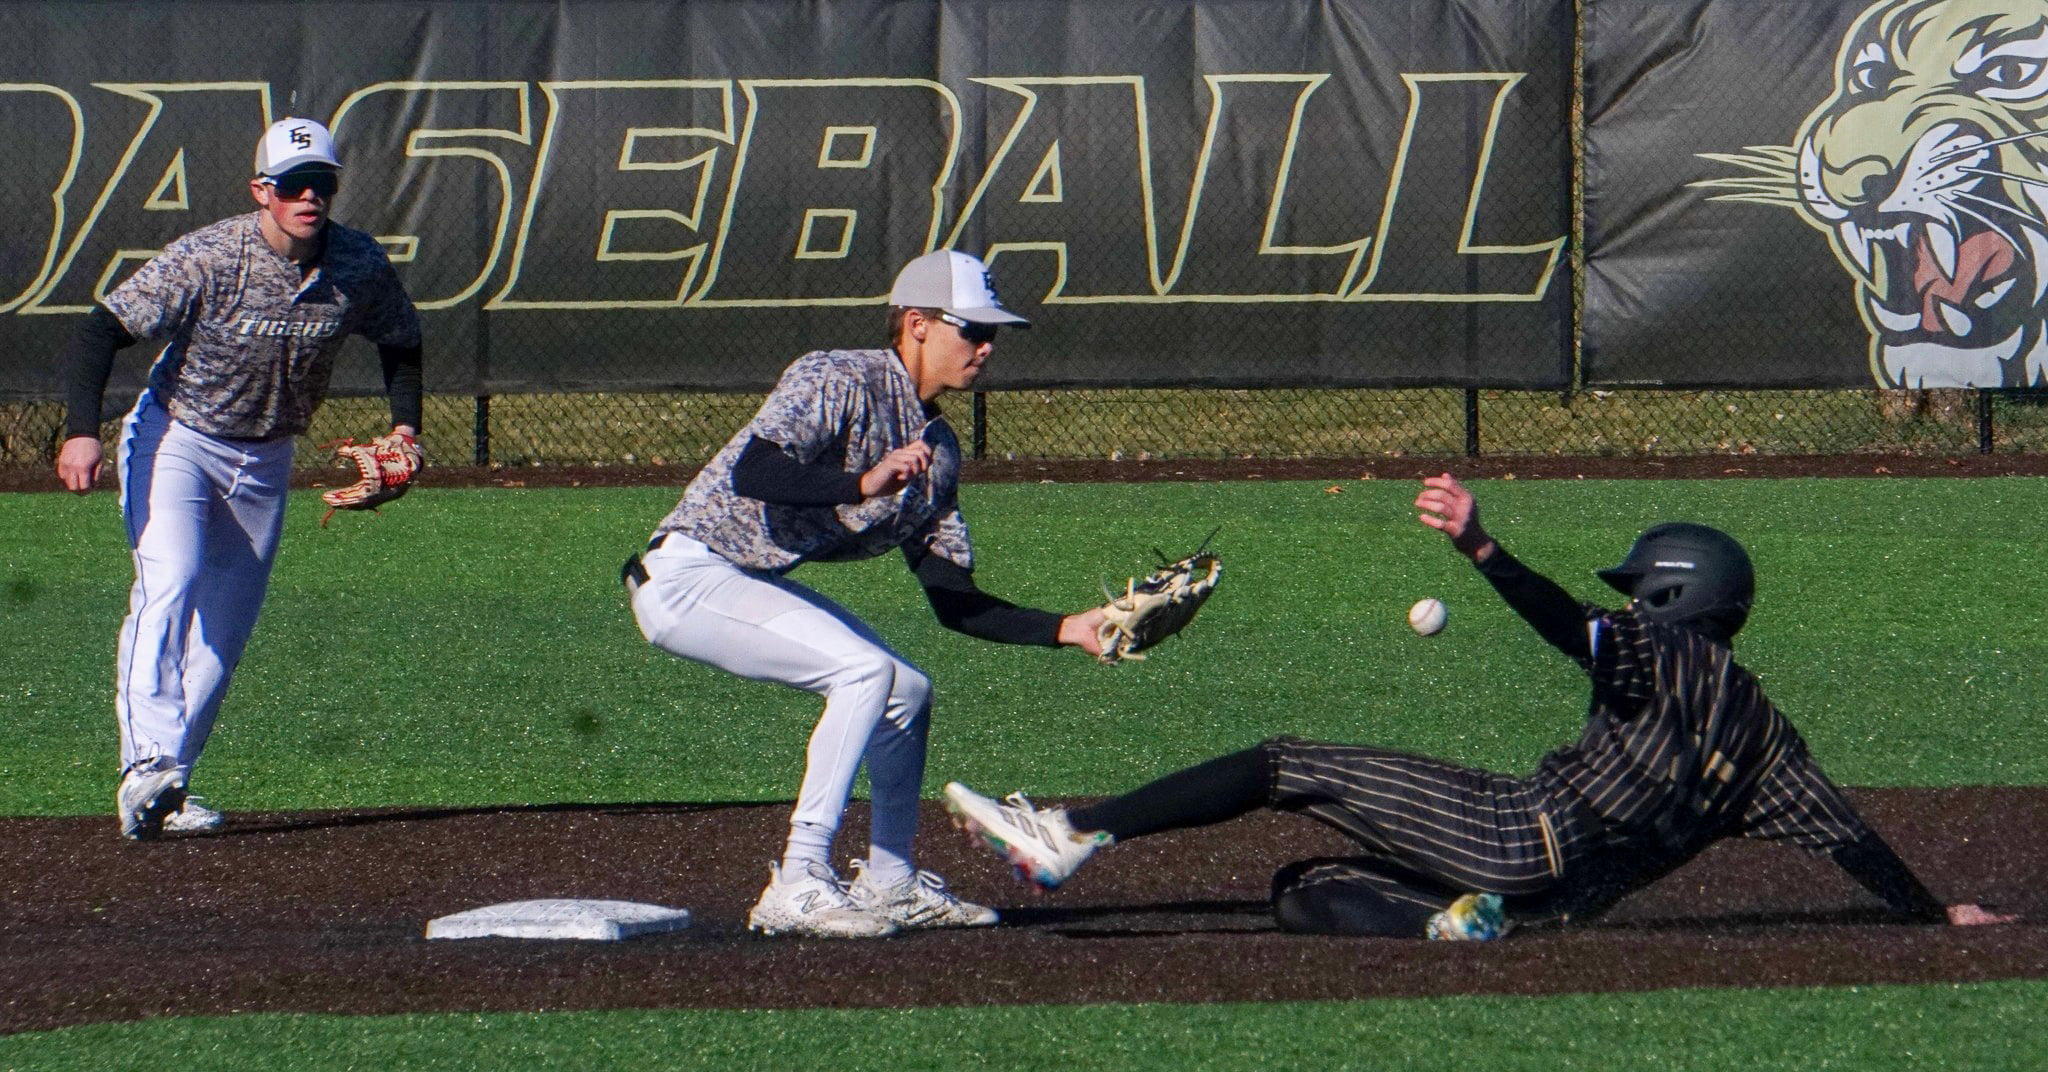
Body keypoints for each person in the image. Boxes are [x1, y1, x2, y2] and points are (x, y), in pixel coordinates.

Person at [943, 474, 2016, 938]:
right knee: (1299, 888)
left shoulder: (1660, 652)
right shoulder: (1770, 742)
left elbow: (1564, 623)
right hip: (1553, 901)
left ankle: (1073, 834)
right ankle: (1450, 926)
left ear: (1669, 598)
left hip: (1518, 830)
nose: (1626, 603)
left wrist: (1478, 542)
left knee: (1281, 764)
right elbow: (1852, 841)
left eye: (1638, 589)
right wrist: (1930, 912)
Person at [624, 250, 1108, 938]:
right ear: (915, 323)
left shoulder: (936, 449)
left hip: (742, 581)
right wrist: (862, 482)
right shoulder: (838, 376)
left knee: (906, 689)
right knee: (863, 670)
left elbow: (952, 599)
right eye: (971, 328)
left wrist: (1069, 628)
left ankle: (891, 883)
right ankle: (797, 880)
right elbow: (754, 470)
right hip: (686, 576)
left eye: (991, 332)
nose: (986, 346)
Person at [57, 117, 423, 841]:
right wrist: (79, 431)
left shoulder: (356, 264)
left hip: (267, 457)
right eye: (292, 185)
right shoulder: (210, 257)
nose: (308, 197)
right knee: (171, 581)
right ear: (263, 190)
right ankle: (145, 765)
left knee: (224, 631)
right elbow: (104, 328)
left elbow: (402, 338)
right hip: (178, 440)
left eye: (321, 184)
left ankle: (171, 783)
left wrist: (407, 427)